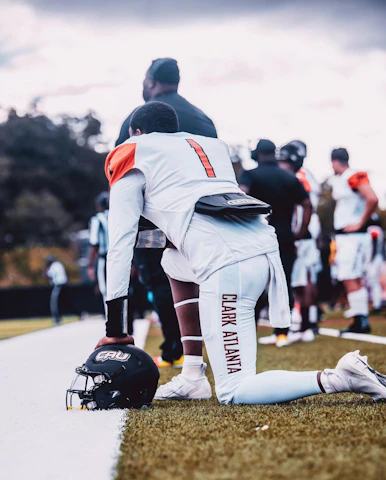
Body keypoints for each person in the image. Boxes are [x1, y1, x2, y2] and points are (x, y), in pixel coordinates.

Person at [95, 102, 386, 406]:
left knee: (235, 390)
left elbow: (120, 243)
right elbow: (176, 230)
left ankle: (340, 377)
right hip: (257, 251)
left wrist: (115, 330)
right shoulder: (208, 146)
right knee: (173, 260)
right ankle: (193, 375)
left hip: (229, 266)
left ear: (136, 133)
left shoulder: (133, 149)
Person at [116, 58, 217, 369]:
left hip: (154, 222)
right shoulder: (203, 118)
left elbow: (124, 173)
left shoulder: (137, 118)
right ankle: (204, 347)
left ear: (149, 81)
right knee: (199, 278)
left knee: (158, 277)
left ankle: (175, 347)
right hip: (201, 218)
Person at [239, 139, 312, 347]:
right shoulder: (289, 177)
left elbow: (239, 197)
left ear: (258, 155)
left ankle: (247, 332)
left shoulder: (250, 175)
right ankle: (282, 333)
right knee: (283, 283)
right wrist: (300, 231)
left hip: (255, 236)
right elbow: (307, 204)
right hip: (284, 236)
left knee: (252, 283)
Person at [329, 148, 378, 333]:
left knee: (351, 276)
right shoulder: (342, 179)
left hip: (353, 236)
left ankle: (361, 321)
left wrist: (360, 223)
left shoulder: (353, 175)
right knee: (349, 276)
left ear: (335, 161)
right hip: (345, 237)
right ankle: (359, 319)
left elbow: (372, 198)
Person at [278, 141, 322, 342]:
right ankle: (309, 322)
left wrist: (296, 232)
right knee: (305, 279)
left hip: (302, 232)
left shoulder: (298, 177)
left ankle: (307, 325)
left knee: (300, 281)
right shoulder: (308, 175)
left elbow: (301, 205)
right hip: (309, 230)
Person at [87, 192, 109, 315]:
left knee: (105, 290)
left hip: (104, 258)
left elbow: (94, 243)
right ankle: (126, 320)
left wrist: (90, 265)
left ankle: (111, 320)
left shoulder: (97, 220)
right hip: (121, 257)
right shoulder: (117, 216)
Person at [365, 217, 384, 313]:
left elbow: (374, 245)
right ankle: (376, 303)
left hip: (373, 259)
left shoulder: (373, 230)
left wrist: (370, 260)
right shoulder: (378, 230)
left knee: (373, 282)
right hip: (376, 259)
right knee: (373, 282)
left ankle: (377, 304)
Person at [45, 254, 68, 325]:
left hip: (58, 285)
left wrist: (46, 270)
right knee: (65, 302)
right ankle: (80, 314)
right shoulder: (59, 264)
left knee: (54, 303)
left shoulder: (53, 266)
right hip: (64, 284)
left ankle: (57, 319)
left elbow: (49, 275)